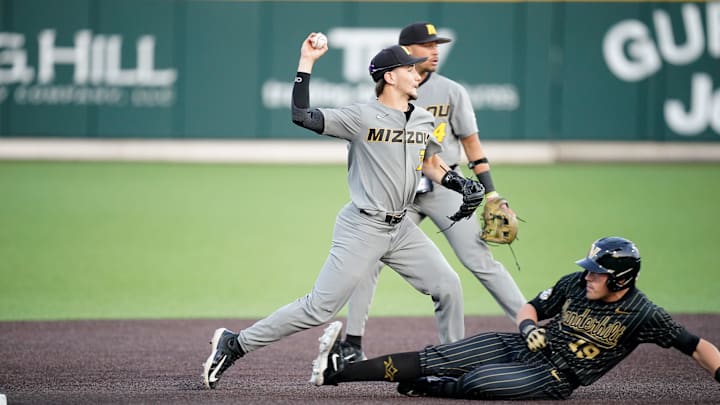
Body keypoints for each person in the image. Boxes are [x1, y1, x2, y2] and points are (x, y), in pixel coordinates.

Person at [201, 32, 487, 389]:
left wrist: (462, 184)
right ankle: (235, 343)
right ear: (390, 76)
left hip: (401, 230)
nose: (417, 75)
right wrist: (306, 63)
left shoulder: (424, 118)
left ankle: (451, 366)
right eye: (410, 69)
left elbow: (430, 161)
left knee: (448, 285)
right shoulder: (360, 116)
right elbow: (301, 115)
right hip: (363, 228)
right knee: (318, 308)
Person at [310, 237, 720, 400]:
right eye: (591, 267)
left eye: (599, 271)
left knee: (478, 381)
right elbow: (532, 308)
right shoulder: (576, 283)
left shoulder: (644, 314)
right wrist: (527, 326)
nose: (590, 274)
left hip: (556, 377)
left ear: (622, 278)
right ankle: (336, 373)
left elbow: (697, 347)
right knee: (442, 355)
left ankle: (427, 389)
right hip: (524, 344)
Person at [339, 21, 526, 361]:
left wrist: (491, 194)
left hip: (444, 184)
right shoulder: (390, 91)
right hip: (403, 190)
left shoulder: (452, 91)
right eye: (428, 45)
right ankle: (352, 343)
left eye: (437, 45)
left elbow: (472, 146)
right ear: (407, 53)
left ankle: (531, 326)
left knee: (479, 258)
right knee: (370, 258)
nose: (436, 51)